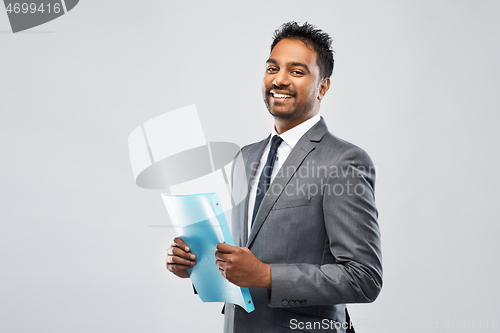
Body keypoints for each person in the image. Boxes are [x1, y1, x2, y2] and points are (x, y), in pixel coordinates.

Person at [166, 21, 382, 333]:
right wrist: (197, 266)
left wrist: (267, 275)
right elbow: (246, 254)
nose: (279, 79)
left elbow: (364, 278)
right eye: (272, 68)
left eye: (297, 71)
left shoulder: (343, 161)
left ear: (323, 86)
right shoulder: (247, 156)